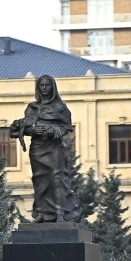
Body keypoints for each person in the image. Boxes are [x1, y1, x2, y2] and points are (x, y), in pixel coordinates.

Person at [8, 75, 78, 222]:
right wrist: (33, 131)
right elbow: (24, 127)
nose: (45, 88)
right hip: (37, 148)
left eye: (47, 85)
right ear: (38, 88)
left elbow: (66, 127)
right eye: (42, 85)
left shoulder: (60, 108)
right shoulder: (32, 108)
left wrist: (54, 129)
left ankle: (60, 213)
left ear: (53, 88)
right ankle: (41, 213)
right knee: (40, 179)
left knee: (57, 178)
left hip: (54, 147)